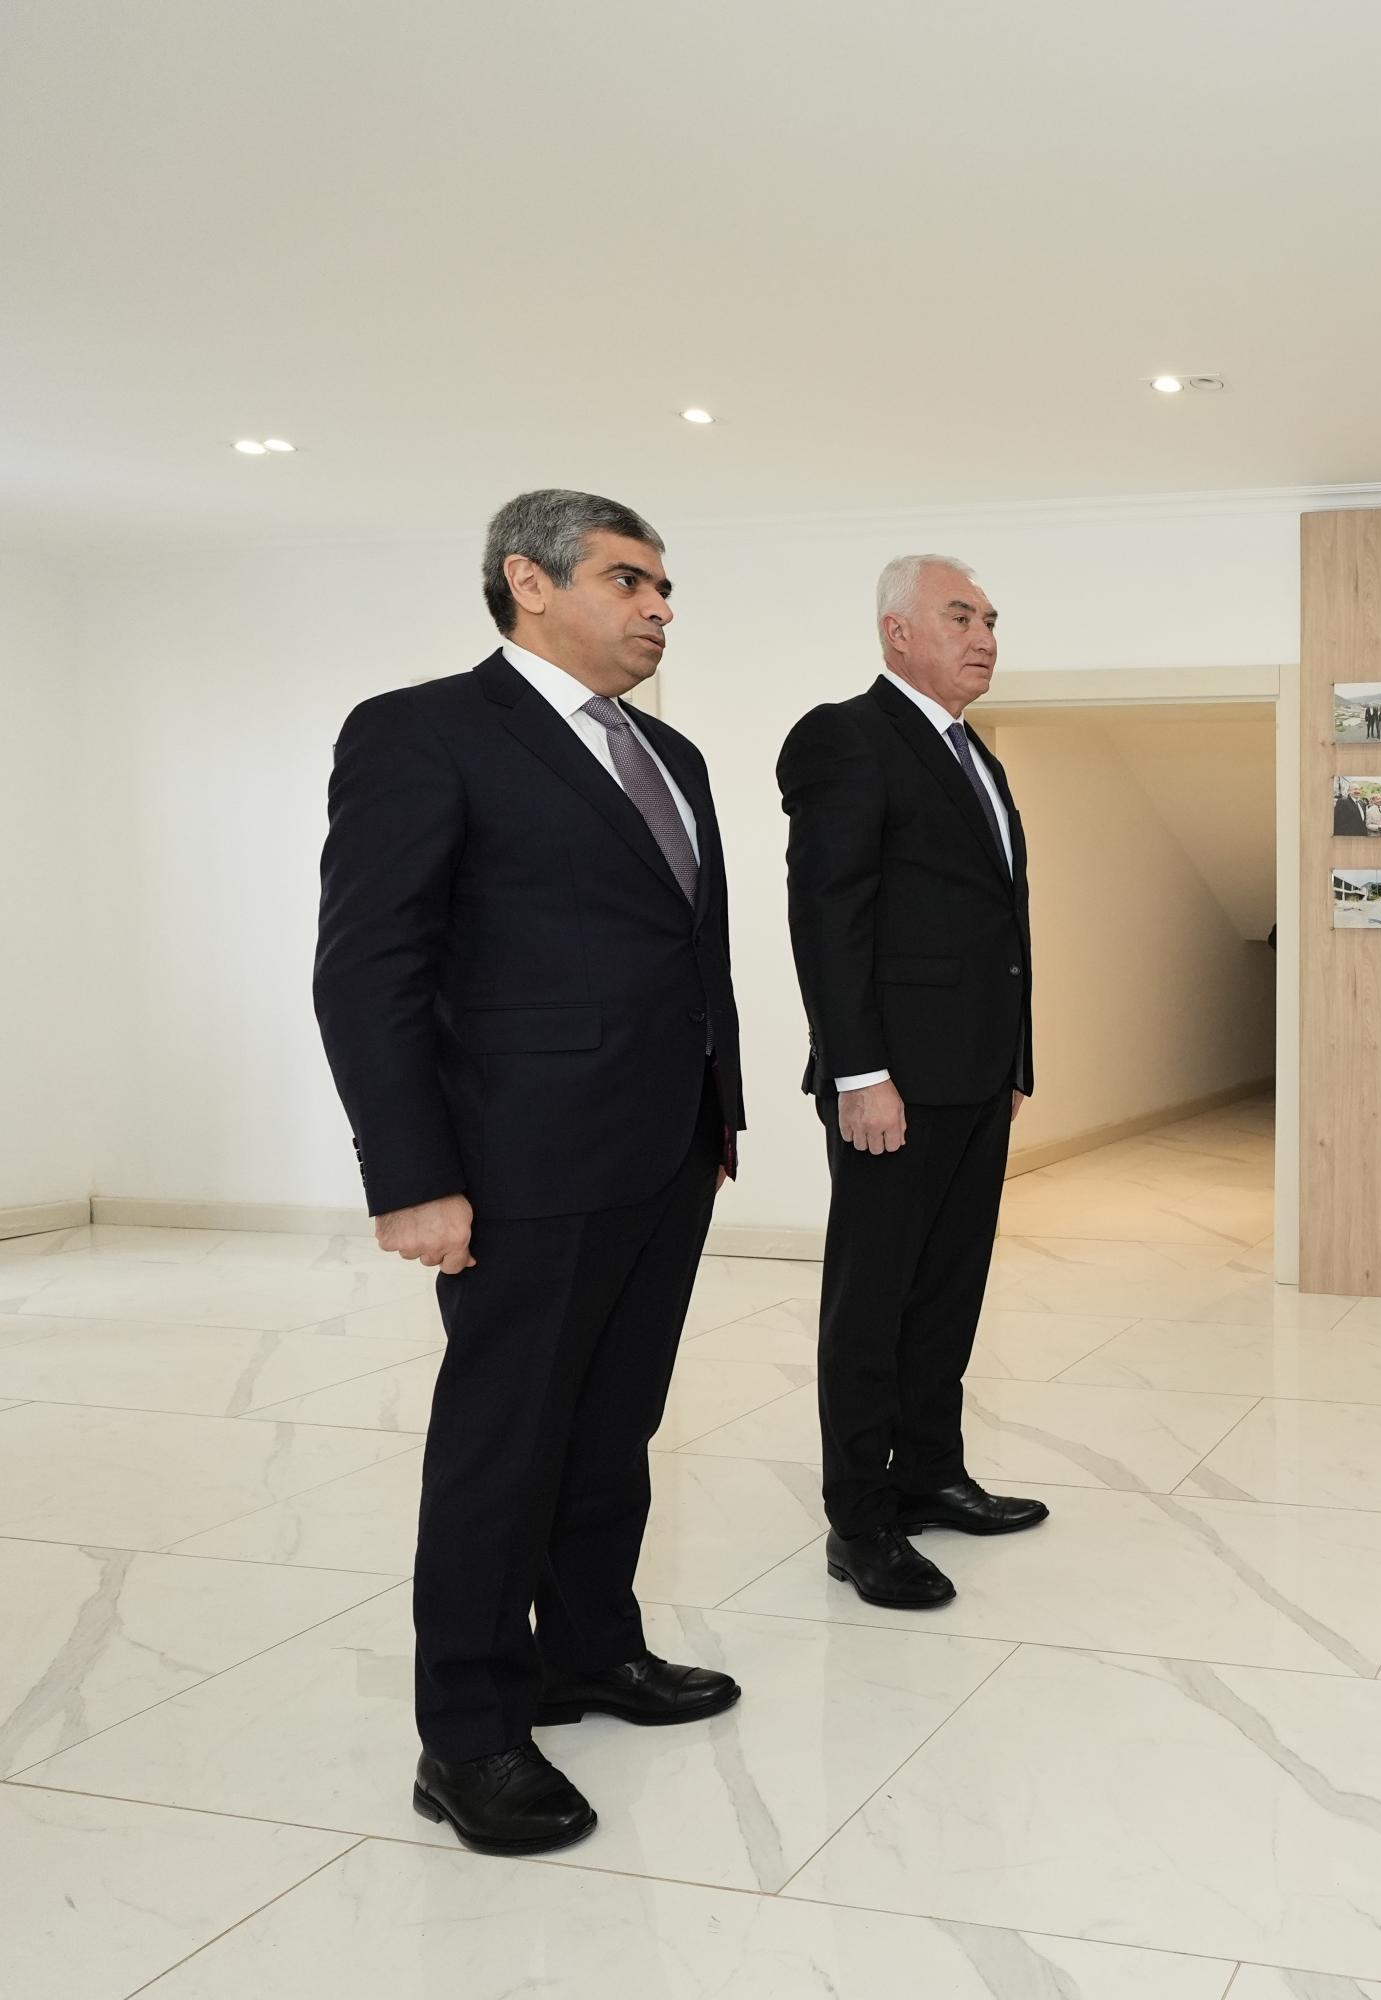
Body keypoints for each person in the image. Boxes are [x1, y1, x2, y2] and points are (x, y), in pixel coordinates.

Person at [314, 489, 747, 1858]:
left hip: (666, 1148)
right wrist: (412, 1172)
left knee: (613, 1423)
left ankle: (590, 1650)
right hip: (521, 1160)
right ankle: (470, 1735)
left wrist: (719, 1112)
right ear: (530, 580)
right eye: (630, 580)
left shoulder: (670, 751)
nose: (659, 608)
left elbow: (688, 952)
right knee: (504, 1445)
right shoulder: (422, 730)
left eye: (664, 588)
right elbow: (370, 968)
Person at [778, 554, 1050, 1615]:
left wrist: (1014, 1059)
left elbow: (997, 925)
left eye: (991, 619)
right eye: (960, 616)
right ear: (897, 631)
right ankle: (860, 1520)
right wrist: (861, 1072)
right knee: (873, 1300)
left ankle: (931, 1471)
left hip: (977, 1076)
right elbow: (828, 913)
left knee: (948, 1286)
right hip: (890, 1082)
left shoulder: (978, 755)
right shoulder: (845, 736)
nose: (985, 636)